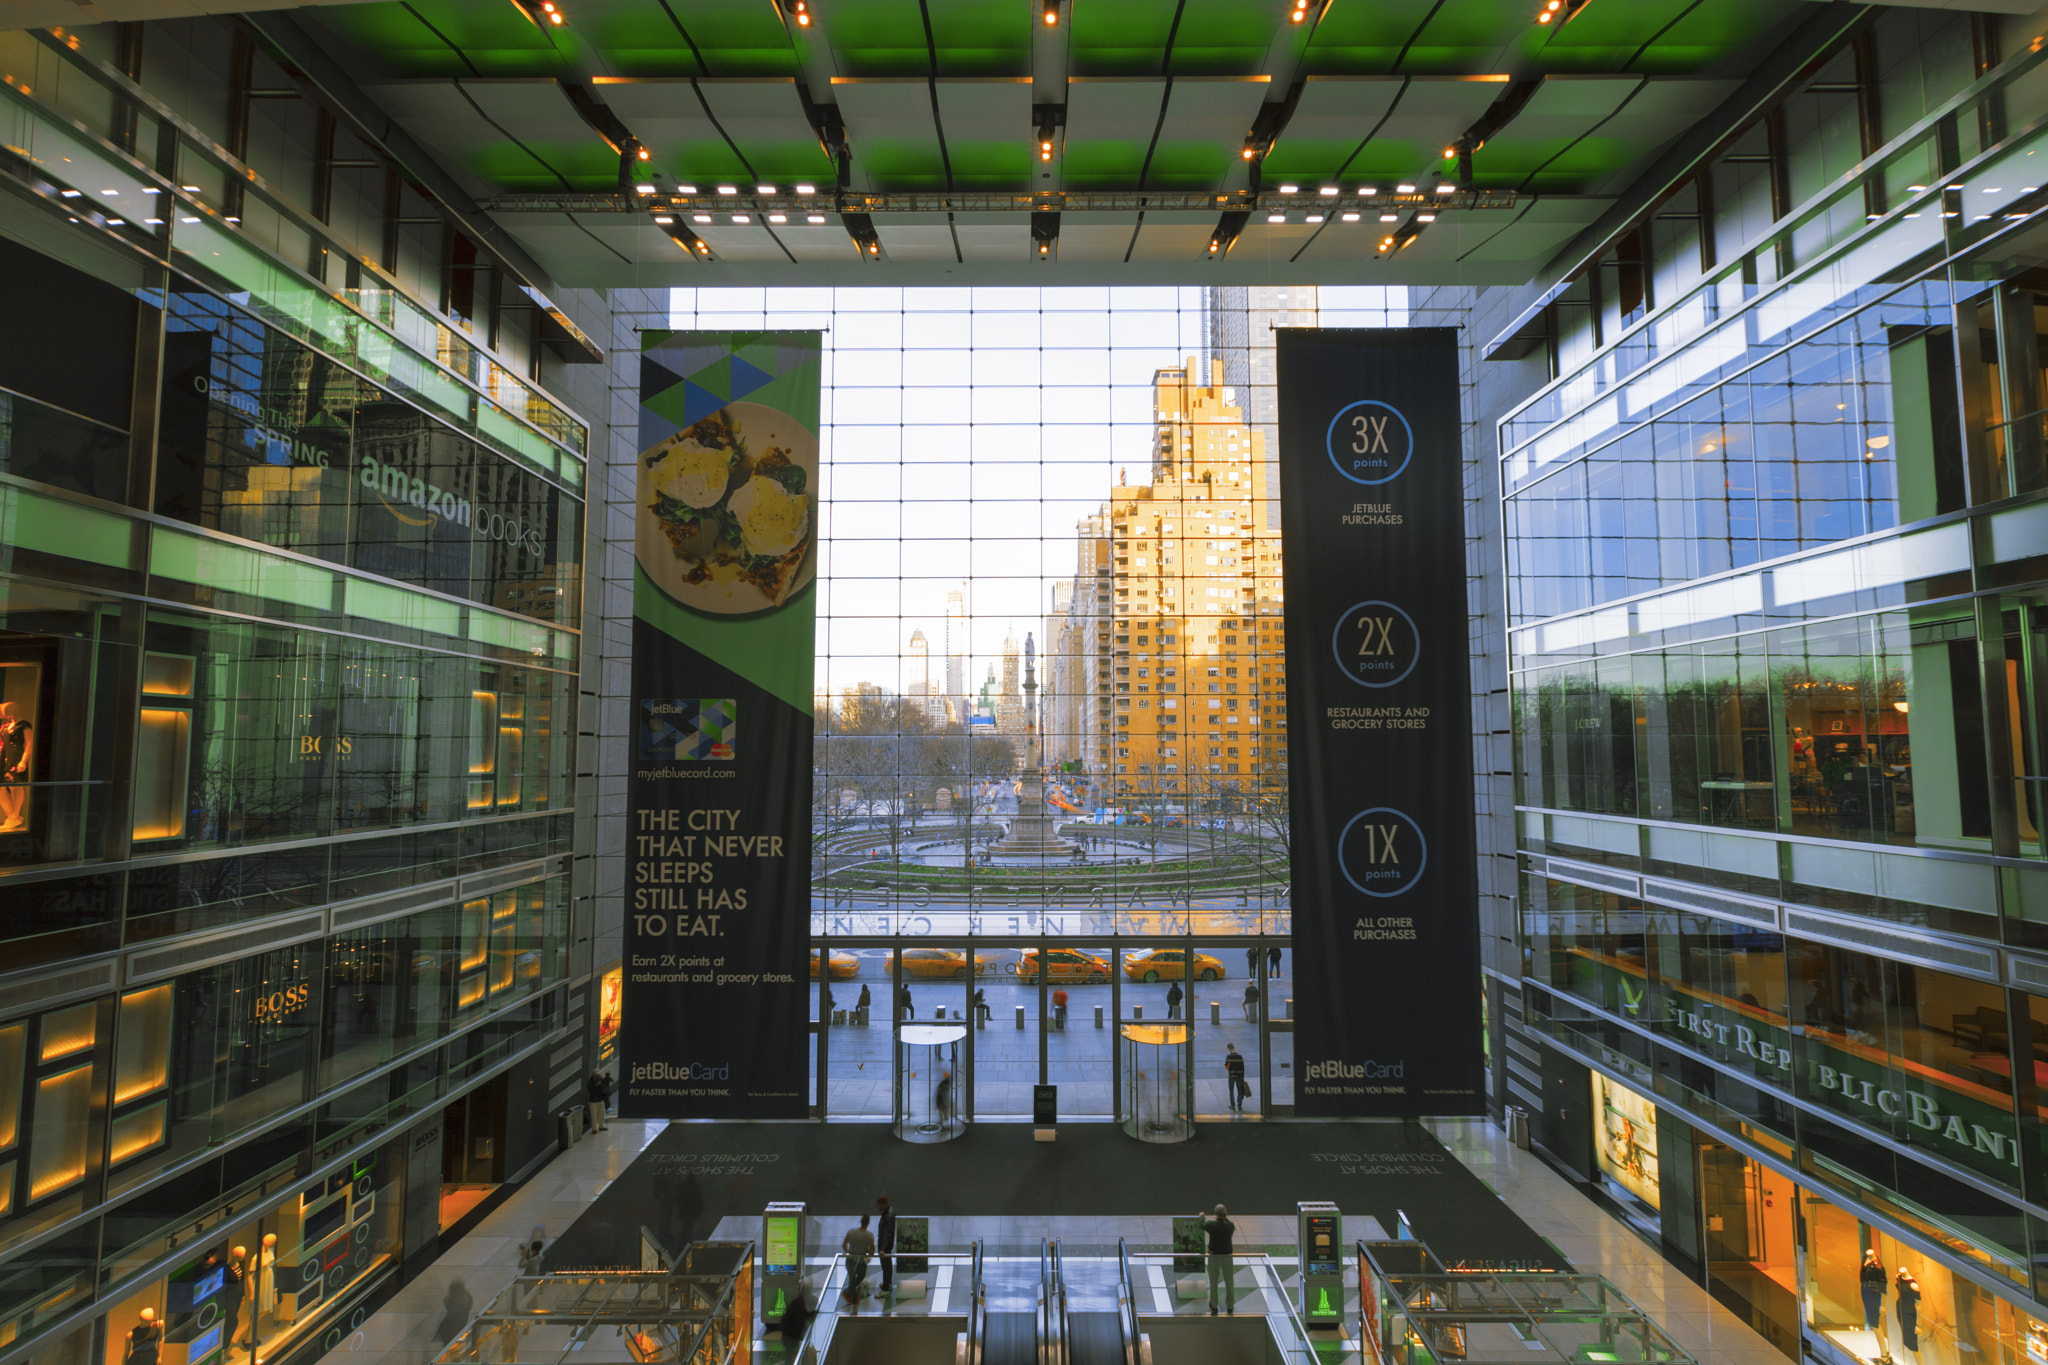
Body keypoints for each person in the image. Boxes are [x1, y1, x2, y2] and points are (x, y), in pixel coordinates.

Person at [0, 701, 31, 832]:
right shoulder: (4, 727)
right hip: (4, 759)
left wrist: (23, 760)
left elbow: (29, 744)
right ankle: (13, 816)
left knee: (16, 786)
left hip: (16, 758)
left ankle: (13, 817)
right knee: (2, 788)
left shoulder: (24, 726)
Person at [1204, 1204, 1237, 1315]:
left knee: (1213, 1281)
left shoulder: (1211, 1225)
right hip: (1227, 1255)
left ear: (1216, 1214)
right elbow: (1227, 1223)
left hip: (1214, 1255)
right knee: (1229, 1281)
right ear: (1226, 1214)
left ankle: (1214, 1305)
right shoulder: (1230, 1226)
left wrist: (1201, 1216)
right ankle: (1230, 1305)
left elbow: (1201, 1225)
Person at [841, 1215, 876, 1307]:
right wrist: (867, 1252)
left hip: (850, 1260)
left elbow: (844, 1245)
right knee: (861, 1275)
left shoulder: (851, 1232)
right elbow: (872, 1252)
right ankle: (851, 1295)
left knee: (851, 1278)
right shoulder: (869, 1235)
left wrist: (848, 1252)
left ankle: (851, 1295)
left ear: (861, 1221)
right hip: (860, 1261)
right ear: (868, 1223)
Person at [1859, 1249, 1886, 1338]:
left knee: (1874, 1323)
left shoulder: (1878, 1266)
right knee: (1871, 1321)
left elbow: (1883, 1285)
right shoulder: (1865, 1260)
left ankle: (1883, 1350)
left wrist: (1883, 1304)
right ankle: (1883, 1350)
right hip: (1865, 1291)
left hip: (1874, 1294)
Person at [876, 1195, 897, 1296]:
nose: (878, 1207)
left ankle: (885, 1288)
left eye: (880, 1205)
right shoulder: (889, 1212)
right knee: (887, 1265)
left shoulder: (887, 1216)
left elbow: (886, 1233)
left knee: (886, 1266)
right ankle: (888, 1283)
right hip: (887, 1245)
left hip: (885, 1246)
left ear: (884, 1204)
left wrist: (882, 1249)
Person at [1895, 1267, 1921, 1352]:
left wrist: (1918, 1324)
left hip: (1909, 1314)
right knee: (1906, 1340)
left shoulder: (1913, 1285)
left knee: (1912, 1343)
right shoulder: (1899, 1278)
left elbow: (1919, 1305)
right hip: (1900, 1310)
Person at [1225, 1044, 1248, 1111]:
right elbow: (1242, 1067)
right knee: (1240, 1090)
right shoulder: (1240, 1056)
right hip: (1239, 1075)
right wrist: (1242, 1077)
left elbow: (1227, 1067)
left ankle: (1233, 1105)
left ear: (1228, 1049)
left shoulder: (1228, 1057)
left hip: (1232, 1075)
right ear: (1234, 1048)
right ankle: (1239, 1105)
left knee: (1231, 1090)